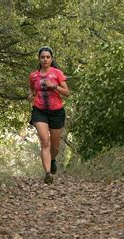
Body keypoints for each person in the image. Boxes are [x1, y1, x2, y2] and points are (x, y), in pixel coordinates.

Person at [28, 46, 70, 184]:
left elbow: (67, 93)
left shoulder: (57, 73)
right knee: (45, 142)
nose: (45, 59)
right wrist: (30, 95)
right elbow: (32, 90)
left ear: (51, 59)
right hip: (39, 111)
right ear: (39, 59)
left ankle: (52, 160)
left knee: (55, 147)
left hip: (56, 112)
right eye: (42, 57)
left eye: (47, 57)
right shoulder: (34, 76)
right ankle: (47, 174)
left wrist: (54, 86)